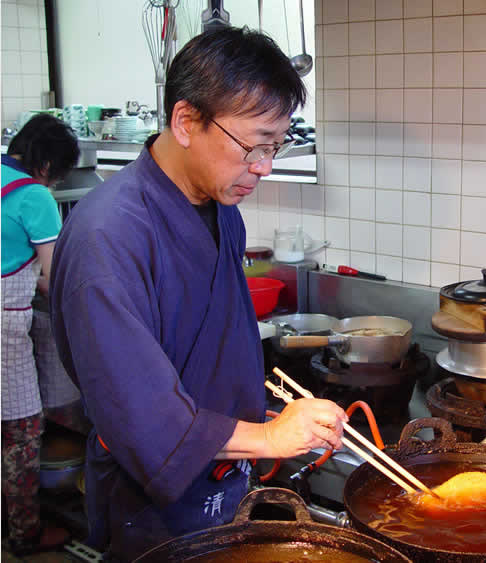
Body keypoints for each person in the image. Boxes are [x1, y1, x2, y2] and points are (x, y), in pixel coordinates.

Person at [49, 28, 348, 561]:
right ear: (186, 121)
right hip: (153, 500)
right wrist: (270, 439)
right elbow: (138, 412)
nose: (264, 167)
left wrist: (270, 419)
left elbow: (216, 345)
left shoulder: (220, 210)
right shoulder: (109, 236)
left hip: (223, 476)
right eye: (253, 146)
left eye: (276, 146)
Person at [1, 113, 80, 555]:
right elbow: (55, 278)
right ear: (47, 165)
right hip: (5, 327)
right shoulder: (33, 196)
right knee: (23, 429)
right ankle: (25, 532)